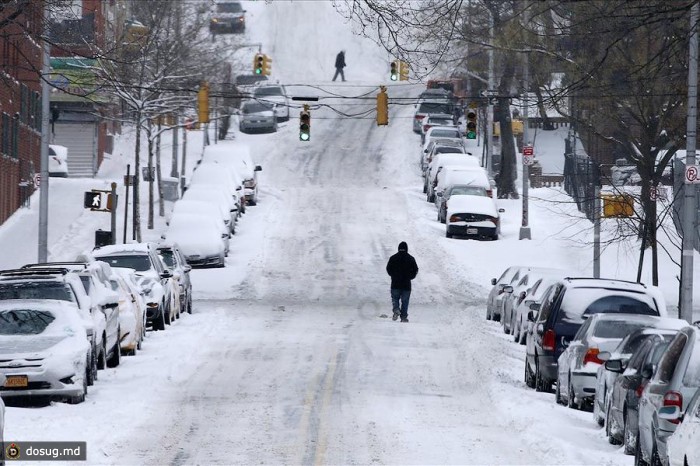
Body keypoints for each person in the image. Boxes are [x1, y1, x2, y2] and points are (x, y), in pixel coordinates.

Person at [385, 241, 419, 322]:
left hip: (395, 283)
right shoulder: (411, 258)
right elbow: (415, 270)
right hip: (406, 284)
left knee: (395, 298)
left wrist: (393, 275)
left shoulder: (393, 258)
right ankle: (403, 317)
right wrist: (410, 277)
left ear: (398, 248)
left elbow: (388, 269)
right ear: (406, 248)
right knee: (405, 301)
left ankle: (396, 309)